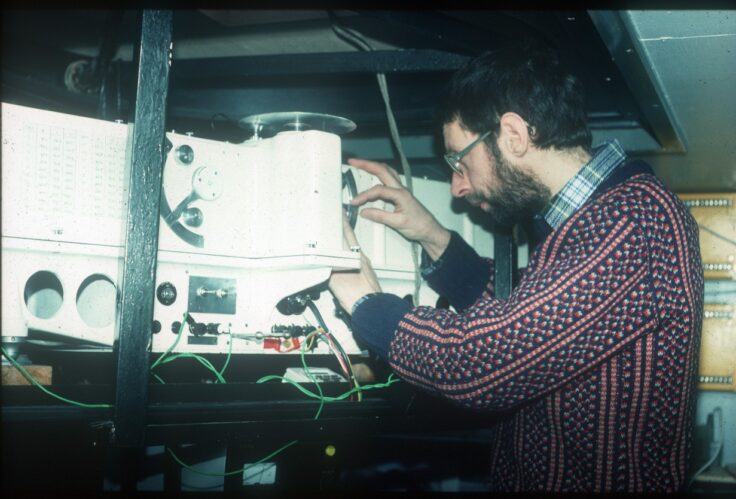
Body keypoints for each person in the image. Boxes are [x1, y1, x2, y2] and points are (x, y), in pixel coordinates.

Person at [328, 45, 704, 492]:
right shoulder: (597, 222)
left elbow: (477, 361)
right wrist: (432, 236)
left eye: (459, 160)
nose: (457, 187)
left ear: (513, 134)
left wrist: (364, 302)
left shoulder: (630, 221)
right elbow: (523, 316)